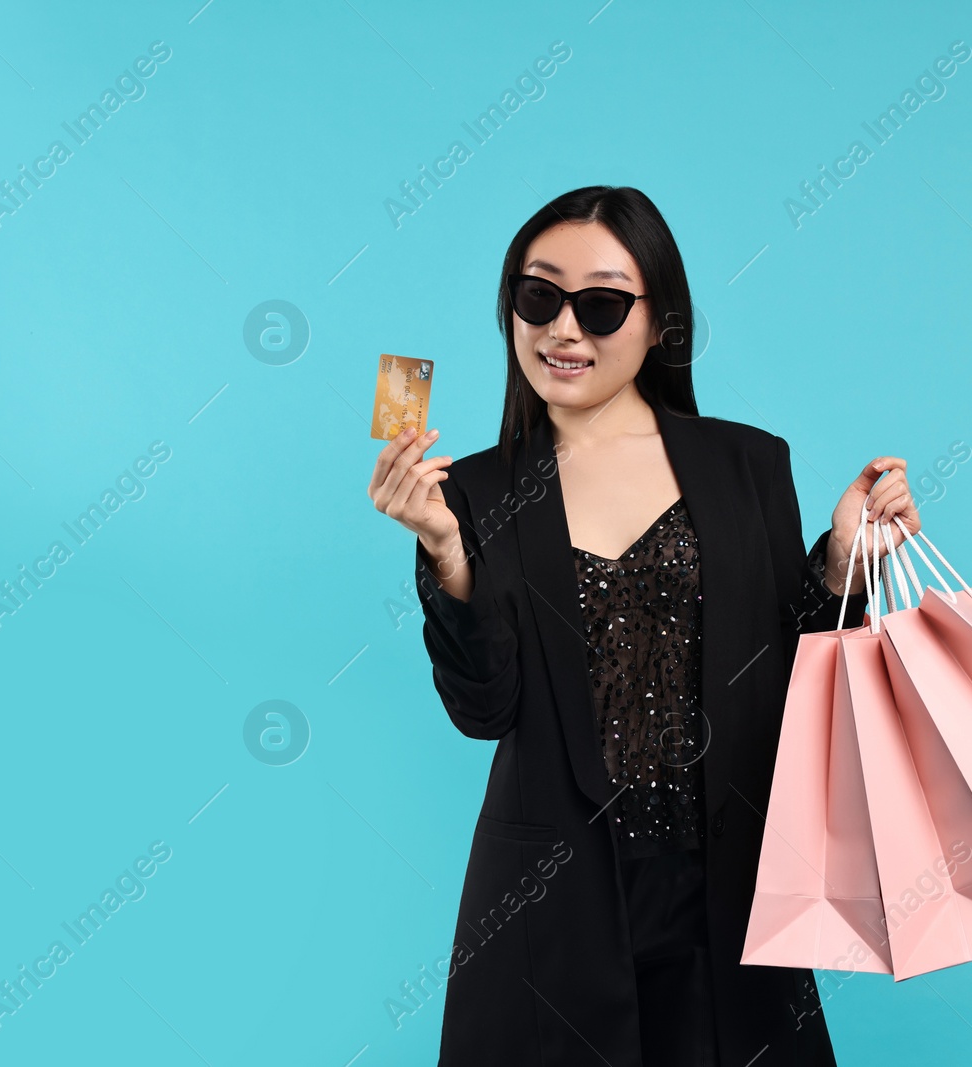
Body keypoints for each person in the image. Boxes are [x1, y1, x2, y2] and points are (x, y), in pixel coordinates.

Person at [368, 185, 919, 1066]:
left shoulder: (748, 463)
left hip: (729, 898)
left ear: (660, 320)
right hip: (550, 903)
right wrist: (447, 553)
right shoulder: (468, 492)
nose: (564, 329)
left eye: (602, 303)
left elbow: (791, 681)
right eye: (539, 295)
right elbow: (485, 707)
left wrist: (841, 563)